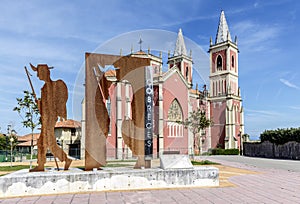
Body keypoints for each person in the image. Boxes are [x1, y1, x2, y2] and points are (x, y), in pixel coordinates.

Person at [29, 63, 72, 171]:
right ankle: (42, 164)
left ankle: (63, 160)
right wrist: (38, 103)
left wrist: (47, 112)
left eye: (39, 73)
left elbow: (51, 106)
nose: (38, 76)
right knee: (42, 142)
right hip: (46, 119)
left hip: (49, 119)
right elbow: (44, 107)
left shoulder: (54, 86)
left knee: (49, 143)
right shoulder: (44, 88)